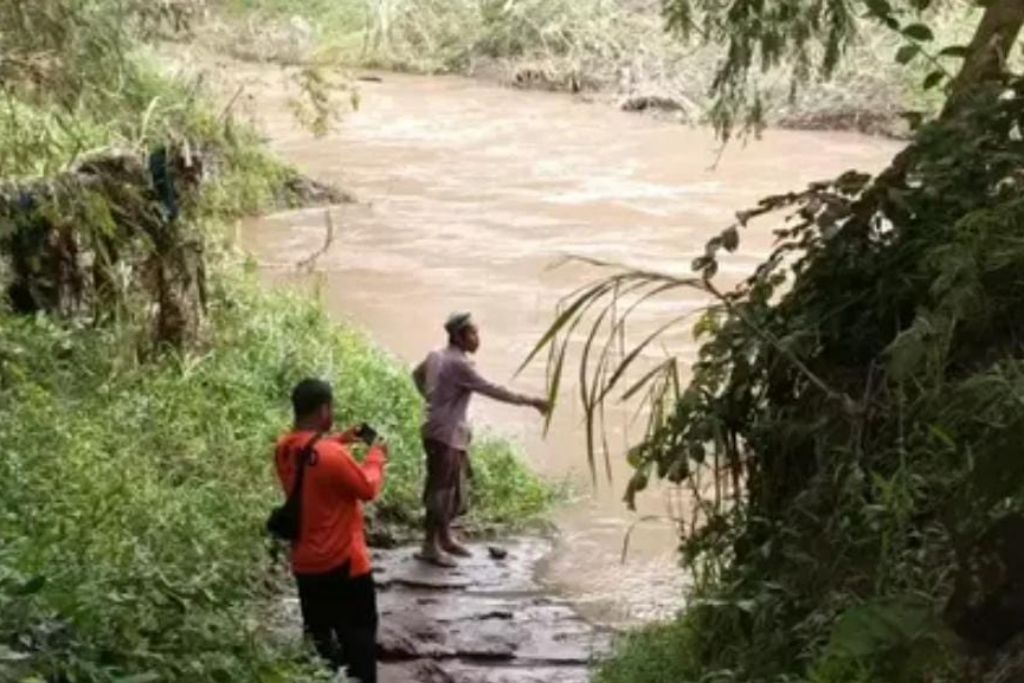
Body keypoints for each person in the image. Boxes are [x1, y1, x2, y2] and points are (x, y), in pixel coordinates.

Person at [411, 312, 549, 567]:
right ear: (458, 336)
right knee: (440, 491)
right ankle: (430, 546)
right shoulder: (460, 365)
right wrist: (532, 401)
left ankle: (445, 538)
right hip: (445, 435)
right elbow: (494, 390)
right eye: (473, 333)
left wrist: (433, 402)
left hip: (441, 430)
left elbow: (416, 376)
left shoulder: (436, 355)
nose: (477, 338)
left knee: (450, 488)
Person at [274, 378, 387, 683]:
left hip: (305, 565)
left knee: (320, 644)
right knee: (359, 641)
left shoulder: (284, 448)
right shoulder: (332, 456)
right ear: (324, 409)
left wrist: (340, 439)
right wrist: (376, 457)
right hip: (344, 565)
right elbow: (367, 488)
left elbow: (309, 456)